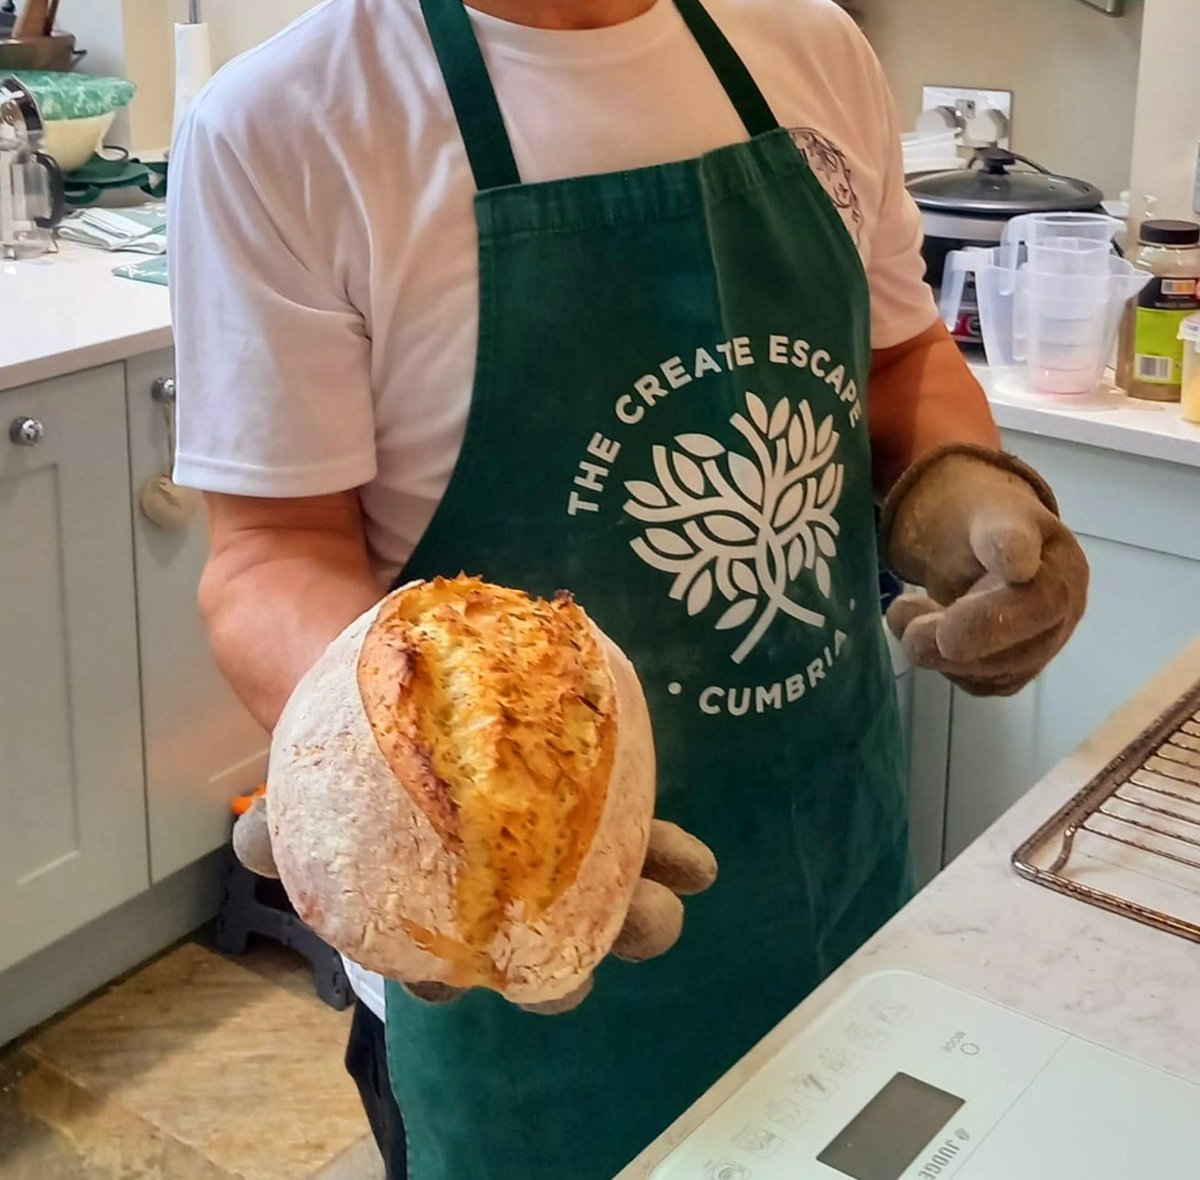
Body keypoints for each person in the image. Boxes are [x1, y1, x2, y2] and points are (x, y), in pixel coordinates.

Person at [168, 0, 1088, 1176]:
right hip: (516, 939)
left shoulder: (808, 46)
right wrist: (370, 776)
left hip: (832, 871)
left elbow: (899, 353)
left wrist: (964, 491)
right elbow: (269, 554)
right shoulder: (287, 126)